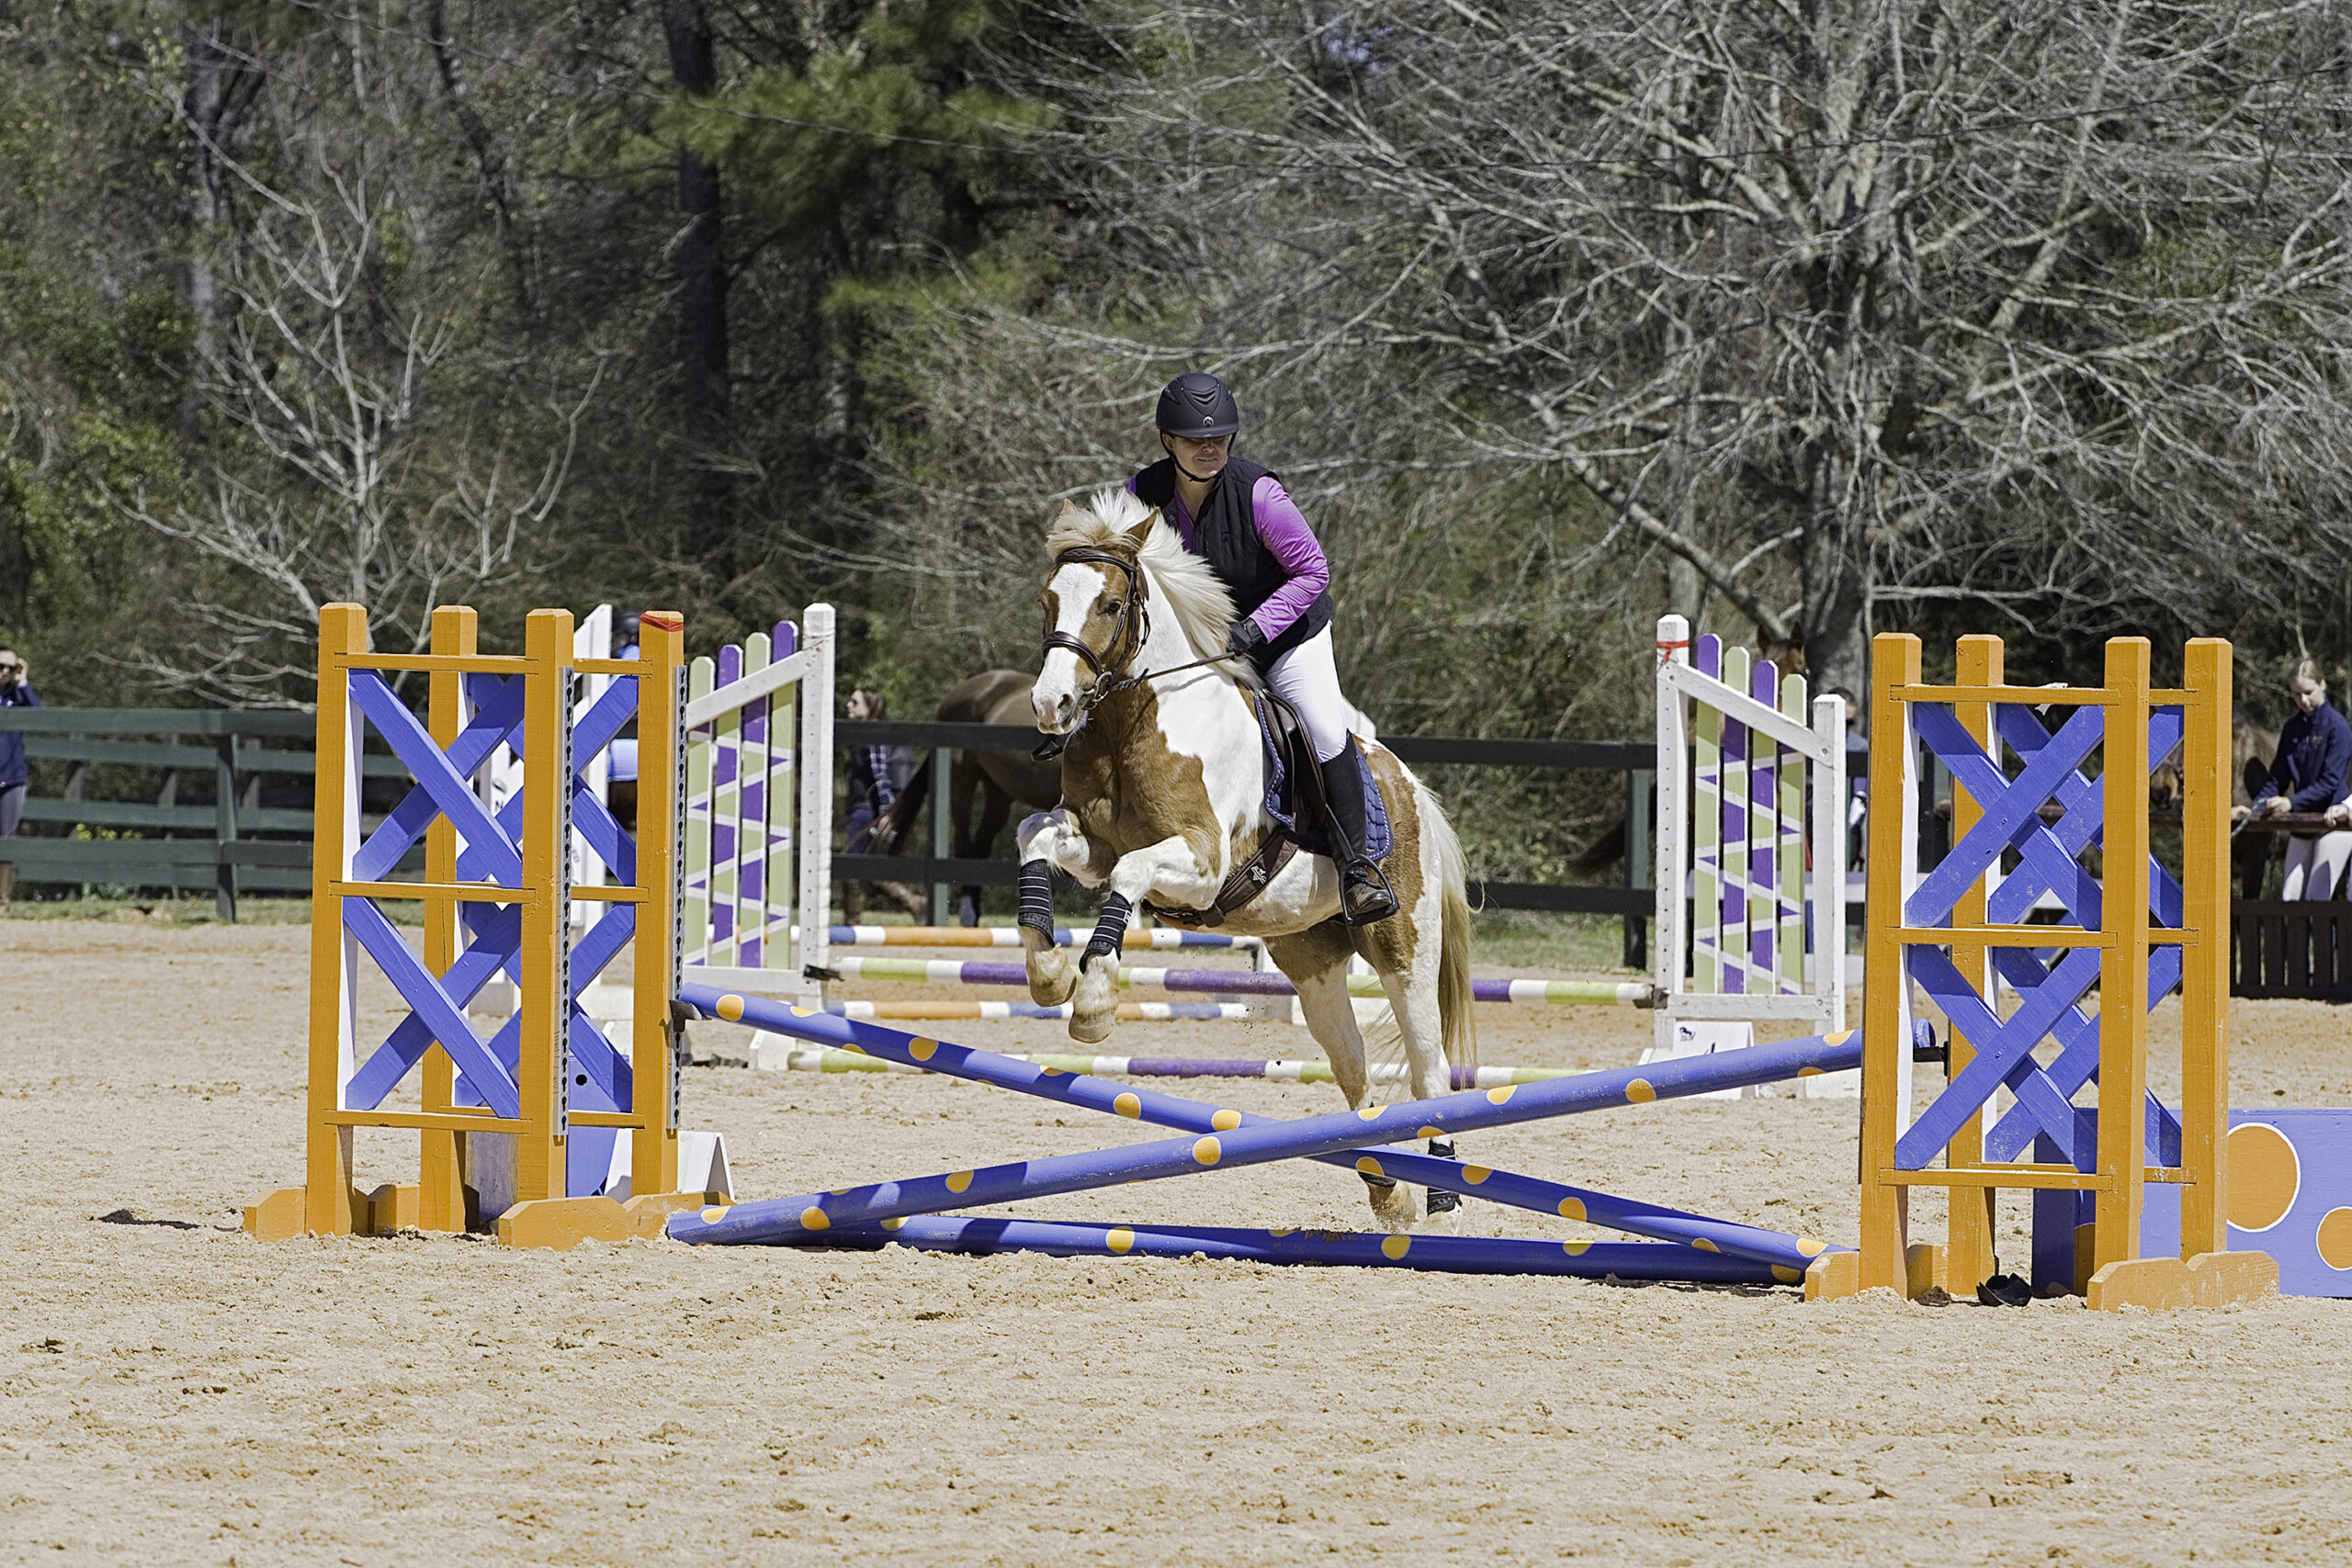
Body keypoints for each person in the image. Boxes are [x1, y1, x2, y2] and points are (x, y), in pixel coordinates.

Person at [1129, 372, 1396, 923]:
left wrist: (1254, 629)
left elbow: (1312, 571)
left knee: (1321, 727)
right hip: (1204, 646)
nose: (1209, 449)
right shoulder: (1143, 496)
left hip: (1286, 636)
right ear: (1167, 441)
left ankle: (1359, 868)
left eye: (1219, 438)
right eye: (1195, 440)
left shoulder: (1259, 494)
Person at [2237, 658, 2352, 899]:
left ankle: (2329, 939)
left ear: (2322, 685)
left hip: (2333, 821)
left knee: (2317, 895)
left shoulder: (2338, 728)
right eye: (2297, 695)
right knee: (2289, 895)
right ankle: (2292, 939)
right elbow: (2277, 778)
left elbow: (2330, 782)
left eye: (2308, 693)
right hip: (2302, 822)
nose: (2304, 701)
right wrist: (2255, 809)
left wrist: (2290, 803)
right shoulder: (2292, 728)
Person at [841, 688, 922, 920]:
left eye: (855, 702)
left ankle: (851, 925)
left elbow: (880, 777)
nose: (849, 705)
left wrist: (887, 812)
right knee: (867, 869)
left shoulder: (873, 736)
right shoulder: (867, 735)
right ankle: (914, 903)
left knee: (851, 866)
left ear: (870, 707)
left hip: (867, 813)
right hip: (861, 810)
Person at [0, 648, 39, 908]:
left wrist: (24, 682)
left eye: (11, 668)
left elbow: (39, 715)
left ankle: (3, 900)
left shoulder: (18, 697)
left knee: (7, 840)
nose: (5, 672)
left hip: (12, 778)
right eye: (0, 666)